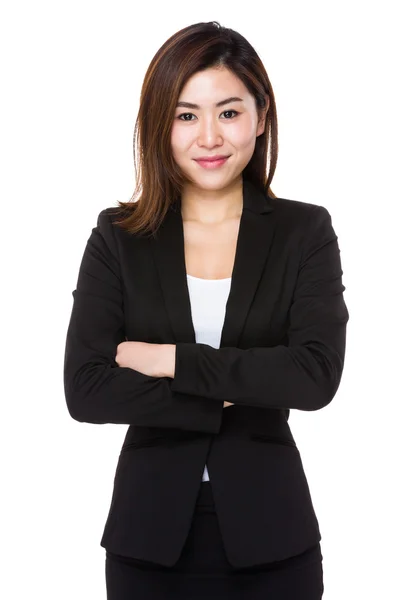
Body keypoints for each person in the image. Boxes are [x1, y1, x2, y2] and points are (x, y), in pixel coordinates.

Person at [63, 20, 349, 599]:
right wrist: (239, 386)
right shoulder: (119, 236)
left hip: (274, 540)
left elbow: (315, 377)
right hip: (148, 544)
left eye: (229, 111)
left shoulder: (304, 231)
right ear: (159, 125)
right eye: (186, 115)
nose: (210, 137)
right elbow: (87, 390)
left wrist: (172, 360)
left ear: (260, 116)